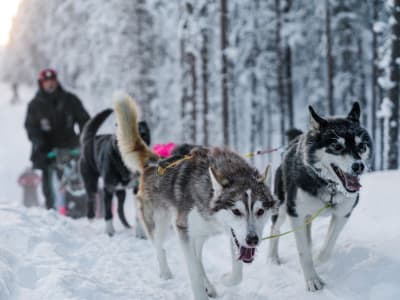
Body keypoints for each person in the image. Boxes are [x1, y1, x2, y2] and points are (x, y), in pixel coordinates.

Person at [24, 68, 90, 209]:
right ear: (41, 83)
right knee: (49, 185)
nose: (50, 84)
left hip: (71, 147)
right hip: (47, 151)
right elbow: (31, 127)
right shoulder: (34, 105)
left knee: (77, 179)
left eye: (52, 80)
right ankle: (51, 211)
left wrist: (82, 139)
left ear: (57, 81)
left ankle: (80, 211)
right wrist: (40, 143)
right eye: (47, 81)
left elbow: (85, 121)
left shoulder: (70, 100)